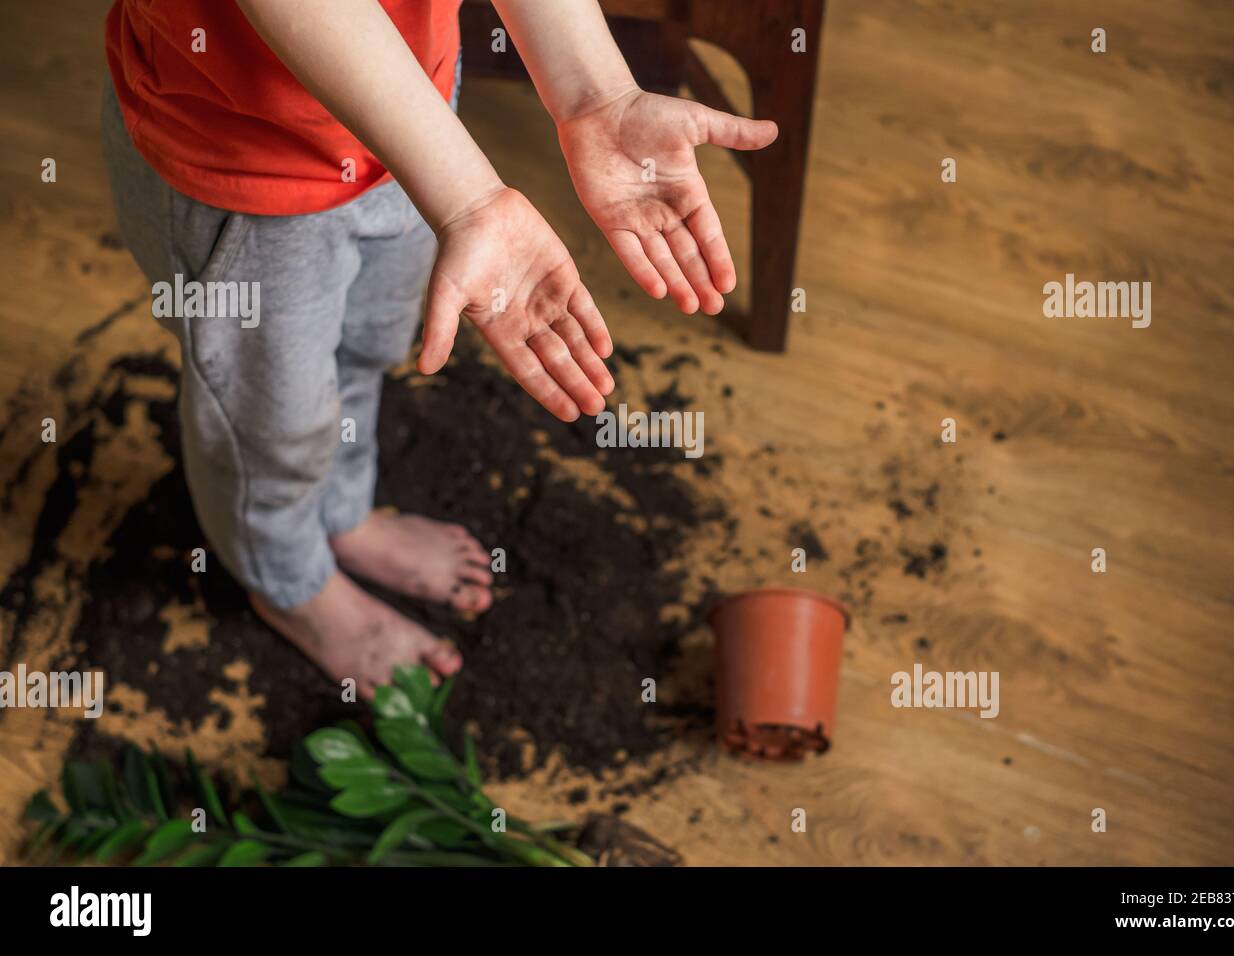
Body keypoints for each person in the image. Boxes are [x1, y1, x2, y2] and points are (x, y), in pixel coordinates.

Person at [102, 0, 777, 696]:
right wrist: (468, 201)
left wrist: (595, 97)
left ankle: (342, 515)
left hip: (417, 123)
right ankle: (289, 582)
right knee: (267, 422)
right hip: (241, 160)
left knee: (369, 345)